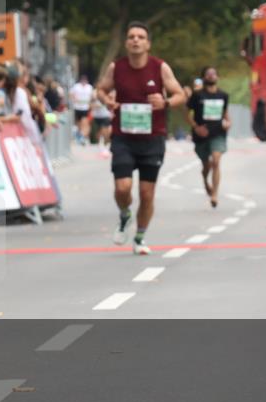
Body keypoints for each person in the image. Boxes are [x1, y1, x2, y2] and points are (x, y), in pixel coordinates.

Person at [96, 21, 186, 255]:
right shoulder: (117, 68)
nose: (135, 40)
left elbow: (180, 95)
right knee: (123, 187)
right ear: (126, 43)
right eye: (131, 37)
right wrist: (107, 100)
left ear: (148, 43)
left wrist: (165, 102)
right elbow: (101, 89)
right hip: (123, 137)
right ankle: (125, 215)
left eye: (140, 37)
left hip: (152, 139)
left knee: (147, 193)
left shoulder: (160, 68)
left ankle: (139, 237)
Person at [186, 66, 230, 208]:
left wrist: (228, 122)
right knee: (207, 165)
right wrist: (196, 127)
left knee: (216, 161)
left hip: (218, 133)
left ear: (218, 77)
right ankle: (205, 180)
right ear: (204, 77)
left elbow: (225, 113)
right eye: (208, 74)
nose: (211, 76)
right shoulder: (197, 95)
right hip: (201, 135)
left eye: (213, 74)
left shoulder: (223, 95)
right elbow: (187, 113)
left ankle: (215, 194)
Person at [69, 74, 94, 145]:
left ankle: (82, 136)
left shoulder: (89, 87)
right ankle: (79, 136)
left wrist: (90, 103)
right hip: (77, 107)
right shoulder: (76, 86)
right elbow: (71, 94)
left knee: (85, 122)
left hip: (85, 108)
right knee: (78, 124)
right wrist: (74, 99)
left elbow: (92, 96)